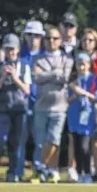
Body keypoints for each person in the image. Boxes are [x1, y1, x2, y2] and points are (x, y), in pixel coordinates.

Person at [0, 33, 31, 182]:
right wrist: (3, 78)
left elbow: (27, 90)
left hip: (19, 108)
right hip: (3, 108)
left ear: (17, 50)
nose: (10, 52)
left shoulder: (24, 67)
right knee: (1, 138)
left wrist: (15, 78)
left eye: (13, 49)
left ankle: (13, 172)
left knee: (16, 141)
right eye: (7, 49)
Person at [32, 27, 74, 183]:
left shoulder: (67, 59)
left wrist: (47, 74)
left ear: (60, 40)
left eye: (55, 38)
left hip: (60, 106)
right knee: (41, 142)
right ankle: (43, 170)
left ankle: (48, 168)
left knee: (54, 139)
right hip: (41, 106)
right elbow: (36, 77)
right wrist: (54, 73)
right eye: (49, 38)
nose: (52, 41)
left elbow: (64, 78)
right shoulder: (37, 58)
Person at [16, 20, 46, 180]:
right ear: (25, 36)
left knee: (39, 140)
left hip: (40, 102)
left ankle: (38, 171)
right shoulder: (19, 54)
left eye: (36, 35)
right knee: (20, 138)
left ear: (41, 37)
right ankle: (18, 172)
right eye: (29, 34)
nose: (33, 38)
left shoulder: (45, 54)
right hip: (21, 102)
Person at [67, 53, 97, 183]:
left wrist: (83, 92)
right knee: (76, 146)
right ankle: (79, 172)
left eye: (83, 64)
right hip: (75, 116)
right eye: (79, 64)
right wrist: (76, 94)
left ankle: (87, 172)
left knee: (85, 147)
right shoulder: (74, 81)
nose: (81, 67)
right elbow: (68, 99)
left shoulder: (93, 79)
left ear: (88, 65)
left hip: (87, 118)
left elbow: (96, 97)